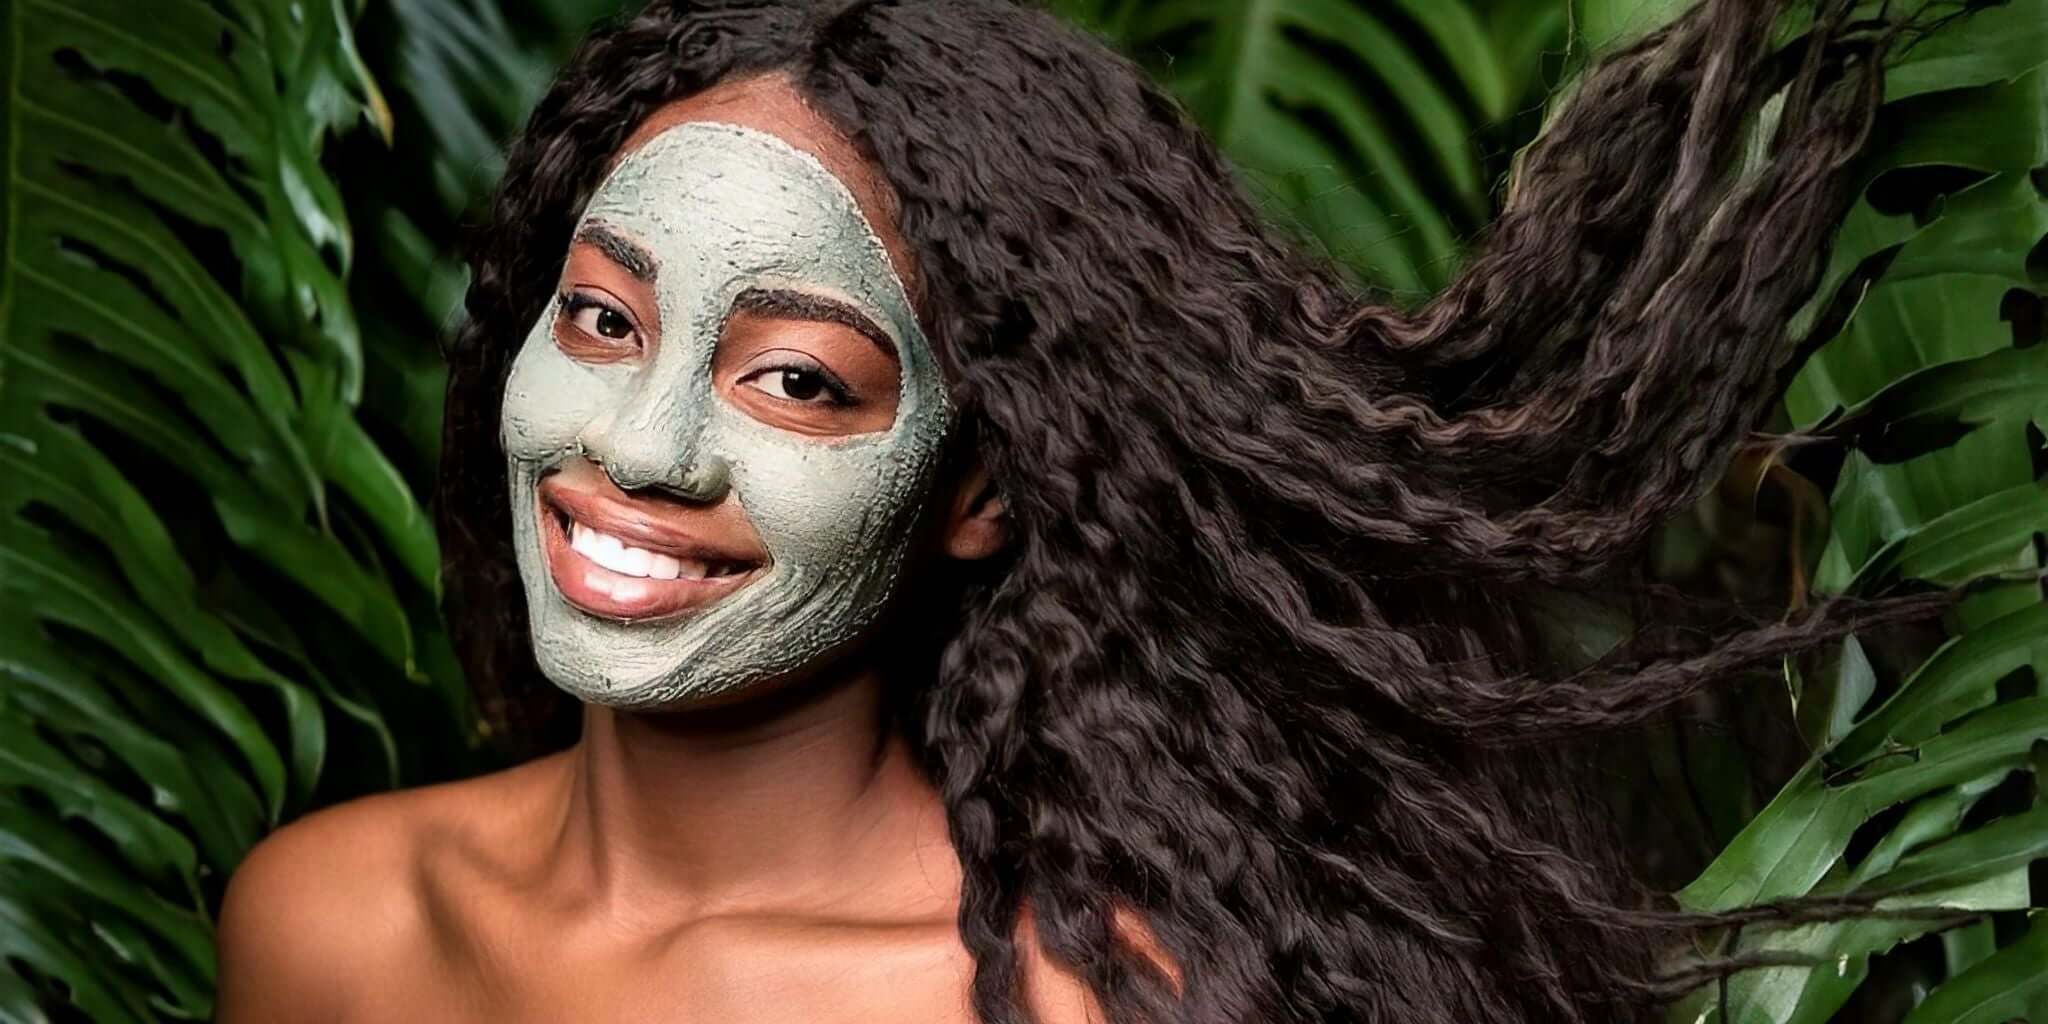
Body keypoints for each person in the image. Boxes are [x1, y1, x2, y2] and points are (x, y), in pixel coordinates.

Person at [214, 0, 1947, 1020]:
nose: (642, 447)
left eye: (797, 380)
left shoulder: (1105, 1000)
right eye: (603, 320)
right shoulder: (330, 923)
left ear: (980, 487)